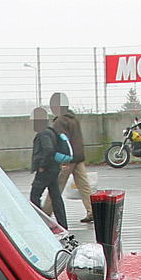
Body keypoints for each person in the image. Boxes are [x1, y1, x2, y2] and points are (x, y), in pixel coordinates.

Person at [50, 93, 93, 224]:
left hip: (68, 159)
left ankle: (44, 213)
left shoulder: (60, 121)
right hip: (79, 156)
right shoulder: (74, 118)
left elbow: (61, 141)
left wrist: (61, 159)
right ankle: (92, 211)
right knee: (84, 185)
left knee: (56, 186)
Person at [27, 107, 69, 228]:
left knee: (35, 195)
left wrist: (42, 166)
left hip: (46, 170)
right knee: (56, 197)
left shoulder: (43, 133)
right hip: (54, 168)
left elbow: (48, 149)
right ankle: (63, 224)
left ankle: (40, 223)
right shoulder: (51, 131)